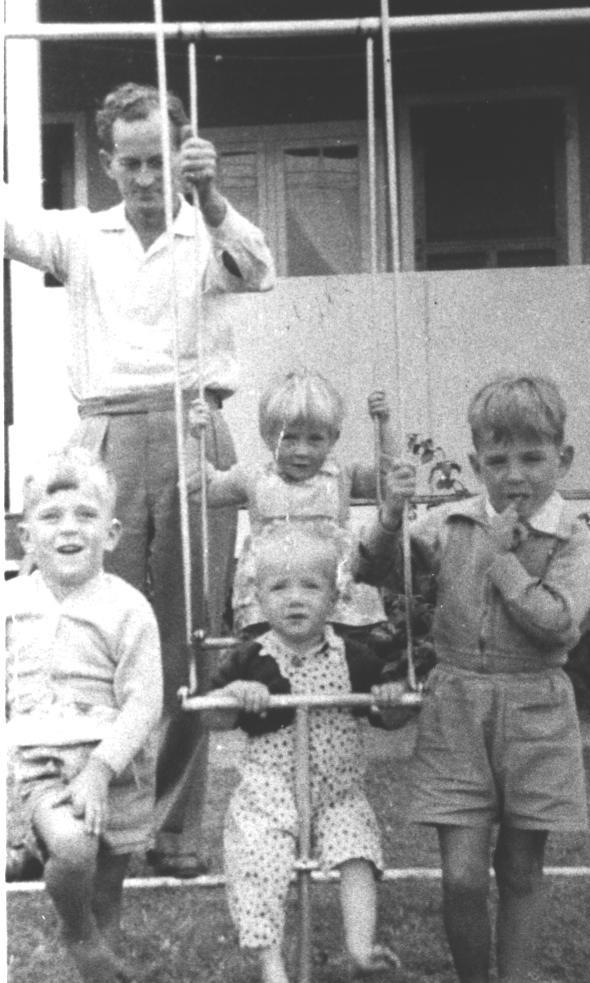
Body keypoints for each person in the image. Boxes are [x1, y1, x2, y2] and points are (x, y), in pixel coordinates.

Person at [4, 82, 275, 877]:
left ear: (183, 154)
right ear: (105, 164)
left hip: (196, 428)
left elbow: (258, 269)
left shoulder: (209, 230)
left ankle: (172, 830)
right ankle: (55, 816)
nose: (146, 179)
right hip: (108, 431)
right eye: (130, 164)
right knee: (82, 629)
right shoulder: (81, 236)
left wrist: (212, 192)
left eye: (159, 160)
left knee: (192, 634)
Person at [357, 374, 590, 983]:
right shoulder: (451, 524)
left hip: (536, 714)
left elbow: (559, 623)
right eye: (497, 460)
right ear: (474, 462)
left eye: (532, 457)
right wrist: (389, 517)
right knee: (462, 877)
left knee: (519, 870)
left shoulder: (573, 537)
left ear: (562, 459)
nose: (514, 475)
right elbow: (377, 570)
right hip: (456, 708)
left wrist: (503, 563)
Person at [208, 524, 405, 983]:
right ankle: (272, 965)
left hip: (337, 791)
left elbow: (389, 714)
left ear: (335, 598)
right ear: (258, 596)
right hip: (270, 791)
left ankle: (359, 948)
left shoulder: (352, 656)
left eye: (311, 587)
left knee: (356, 849)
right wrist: (236, 693)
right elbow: (209, 718)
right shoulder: (249, 657)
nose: (295, 599)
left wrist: (391, 696)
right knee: (259, 861)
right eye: (279, 587)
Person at [5, 447, 163, 983]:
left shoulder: (128, 607)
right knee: (73, 850)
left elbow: (144, 699)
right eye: (50, 516)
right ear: (26, 537)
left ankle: (98, 960)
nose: (68, 529)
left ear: (113, 533)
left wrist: (101, 768)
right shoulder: (10, 604)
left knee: (106, 893)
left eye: (85, 515)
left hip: (115, 765)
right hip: (42, 758)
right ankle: (76, 933)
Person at [187, 369, 395, 637]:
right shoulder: (253, 476)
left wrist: (384, 424)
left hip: (335, 596)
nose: (302, 451)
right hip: (273, 594)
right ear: (268, 436)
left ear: (333, 438)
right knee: (271, 664)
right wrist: (195, 437)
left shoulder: (341, 475)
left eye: (315, 439)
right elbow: (201, 489)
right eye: (289, 438)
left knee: (343, 659)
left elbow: (388, 479)